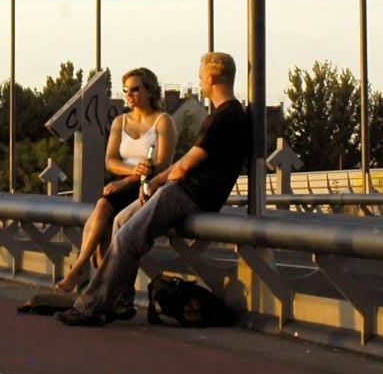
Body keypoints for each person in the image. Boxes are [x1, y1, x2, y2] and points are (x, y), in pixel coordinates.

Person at [57, 52, 250, 326]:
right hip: (186, 191)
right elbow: (186, 162)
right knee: (121, 221)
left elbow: (184, 166)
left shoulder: (223, 118)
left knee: (127, 238)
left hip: (189, 194)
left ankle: (92, 306)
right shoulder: (227, 114)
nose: (199, 80)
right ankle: (120, 302)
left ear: (212, 77)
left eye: (200, 75)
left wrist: (157, 182)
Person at [54, 68, 177, 291]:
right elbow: (110, 161)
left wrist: (131, 179)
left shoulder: (163, 121)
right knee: (102, 207)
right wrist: (131, 173)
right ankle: (83, 270)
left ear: (150, 90)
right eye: (126, 90)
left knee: (111, 228)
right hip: (125, 184)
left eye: (135, 89)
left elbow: (163, 165)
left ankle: (102, 287)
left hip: (148, 188)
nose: (129, 94)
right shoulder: (120, 121)